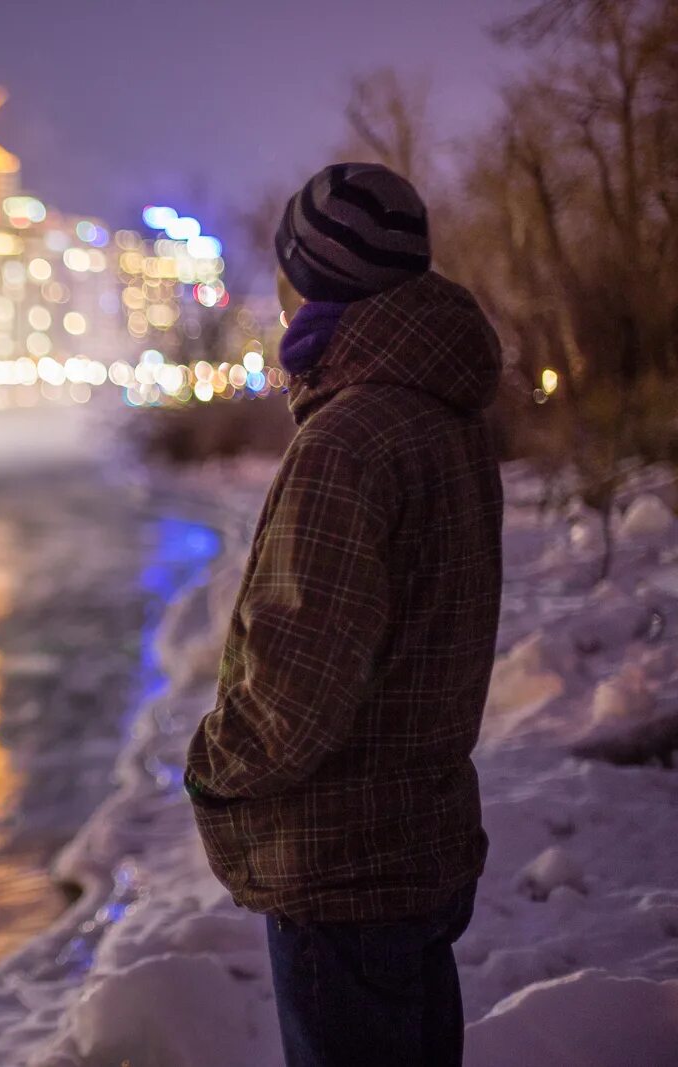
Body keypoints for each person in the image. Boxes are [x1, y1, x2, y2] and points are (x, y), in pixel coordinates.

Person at [184, 162, 504, 1067]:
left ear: (314, 282)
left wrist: (211, 768)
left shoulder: (350, 440)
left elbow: (295, 687)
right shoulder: (441, 415)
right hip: (417, 837)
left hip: (344, 867)